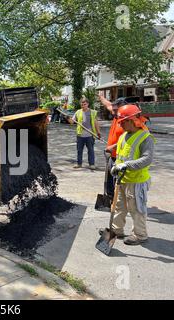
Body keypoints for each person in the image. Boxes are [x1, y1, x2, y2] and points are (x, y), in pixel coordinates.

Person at [105, 104, 154, 246]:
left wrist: (126, 165)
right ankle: (116, 230)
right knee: (119, 206)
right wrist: (115, 164)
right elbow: (122, 154)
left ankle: (140, 235)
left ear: (132, 120)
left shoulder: (145, 137)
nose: (120, 124)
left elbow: (147, 159)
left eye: (122, 121)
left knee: (137, 209)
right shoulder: (124, 135)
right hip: (122, 180)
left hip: (137, 181)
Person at [98, 96, 127, 199]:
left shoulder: (126, 122)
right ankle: (110, 198)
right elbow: (108, 105)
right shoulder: (116, 115)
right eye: (113, 110)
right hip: (111, 155)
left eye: (115, 110)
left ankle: (117, 200)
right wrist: (101, 97)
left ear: (123, 108)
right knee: (109, 180)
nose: (113, 112)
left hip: (121, 157)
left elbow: (128, 140)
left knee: (117, 181)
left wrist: (113, 147)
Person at [68, 98, 102, 170]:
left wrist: (98, 132)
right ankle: (79, 164)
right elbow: (72, 122)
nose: (83, 106)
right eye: (82, 104)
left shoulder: (92, 112)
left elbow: (96, 123)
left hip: (90, 135)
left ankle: (92, 164)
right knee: (79, 150)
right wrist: (68, 118)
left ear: (88, 104)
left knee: (90, 150)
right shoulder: (78, 112)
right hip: (80, 135)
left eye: (84, 104)